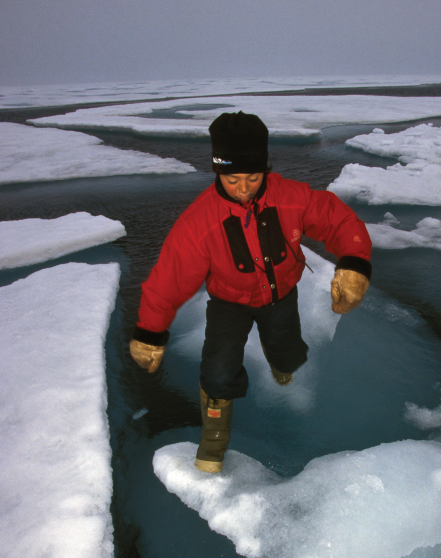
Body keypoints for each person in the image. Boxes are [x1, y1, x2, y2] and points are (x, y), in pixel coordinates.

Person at [130, 111, 372, 473]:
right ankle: (213, 443)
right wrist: (149, 332)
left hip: (281, 297)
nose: (243, 188)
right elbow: (169, 278)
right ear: (217, 172)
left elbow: (338, 220)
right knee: (218, 369)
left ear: (266, 169)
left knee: (287, 353)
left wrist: (354, 265)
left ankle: (282, 366)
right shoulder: (199, 222)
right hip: (229, 304)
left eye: (253, 177)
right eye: (232, 179)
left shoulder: (290, 197)